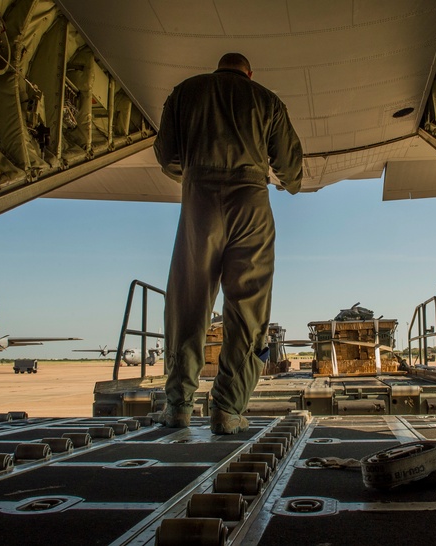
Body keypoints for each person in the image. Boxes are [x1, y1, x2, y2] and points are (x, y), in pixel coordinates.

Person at [154, 53, 303, 434]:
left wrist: (192, 174)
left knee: (188, 303)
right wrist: (287, 181)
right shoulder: (266, 100)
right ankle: (227, 409)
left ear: (218, 68)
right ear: (249, 74)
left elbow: (166, 155)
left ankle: (177, 407)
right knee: (247, 309)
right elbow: (289, 165)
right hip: (250, 202)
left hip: (199, 201)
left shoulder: (184, 93)